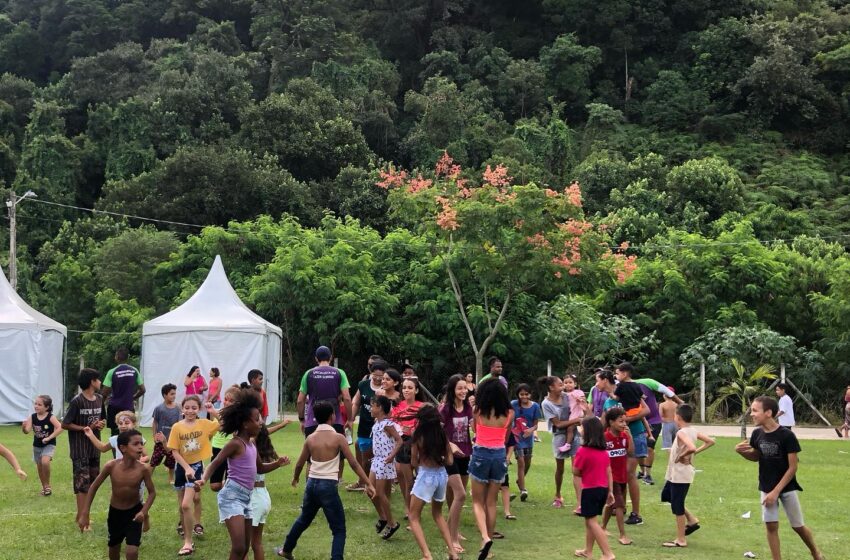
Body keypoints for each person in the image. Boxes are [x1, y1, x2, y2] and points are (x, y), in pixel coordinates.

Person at [194, 388, 289, 560]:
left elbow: (259, 469)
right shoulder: (236, 444)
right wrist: (203, 479)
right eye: (257, 420)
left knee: (244, 547)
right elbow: (215, 463)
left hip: (247, 497)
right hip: (231, 496)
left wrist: (277, 463)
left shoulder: (251, 445)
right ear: (245, 423)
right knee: (238, 546)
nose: (260, 423)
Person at [277, 401, 375, 560]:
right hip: (328, 486)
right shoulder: (338, 438)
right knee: (338, 529)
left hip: (311, 484)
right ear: (332, 416)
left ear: (315, 418)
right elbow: (354, 463)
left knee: (303, 519)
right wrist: (369, 483)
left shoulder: (310, 438)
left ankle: (286, 550)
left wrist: (295, 478)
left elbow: (300, 463)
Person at [735, 396, 824, 560]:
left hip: (786, 487)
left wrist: (776, 492)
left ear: (768, 412)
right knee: (771, 526)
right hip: (766, 486)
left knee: (798, 526)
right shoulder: (757, 434)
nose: (751, 414)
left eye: (755, 410)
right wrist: (741, 453)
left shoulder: (787, 435)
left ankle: (815, 552)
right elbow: (756, 457)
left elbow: (793, 467)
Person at [78, 430, 156, 560]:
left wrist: (143, 511)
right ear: (123, 448)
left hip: (134, 513)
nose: (140, 447)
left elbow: (152, 492)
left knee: (132, 551)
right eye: (136, 444)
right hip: (116, 513)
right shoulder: (111, 466)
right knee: (114, 547)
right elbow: (93, 487)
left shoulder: (143, 469)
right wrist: (85, 513)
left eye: (141, 443)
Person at [167, 395, 220, 556]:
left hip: (196, 467)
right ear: (182, 409)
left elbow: (224, 423)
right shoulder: (177, 427)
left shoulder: (204, 424)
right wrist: (185, 468)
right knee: (181, 507)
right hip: (181, 468)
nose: (190, 411)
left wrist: (213, 411)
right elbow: (174, 451)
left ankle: (188, 542)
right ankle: (185, 530)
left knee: (186, 504)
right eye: (187, 407)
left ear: (199, 409)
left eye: (194, 408)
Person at [468, 378, 513, 560]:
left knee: (478, 501)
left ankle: (485, 537)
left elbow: (475, 430)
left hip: (481, 453)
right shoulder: (509, 412)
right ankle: (487, 545)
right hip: (499, 455)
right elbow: (506, 436)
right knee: (491, 502)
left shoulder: (478, 410)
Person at [661, 404, 714, 548]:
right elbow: (710, 441)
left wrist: (684, 455)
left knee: (677, 505)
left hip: (680, 474)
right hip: (674, 474)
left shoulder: (681, 433)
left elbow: (691, 447)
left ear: (677, 417)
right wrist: (693, 453)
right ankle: (692, 520)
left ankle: (681, 539)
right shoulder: (692, 430)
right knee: (667, 496)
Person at [409, 405, 458, 560]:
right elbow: (450, 460)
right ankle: (452, 552)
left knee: (413, 516)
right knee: (438, 514)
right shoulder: (442, 434)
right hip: (442, 475)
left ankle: (427, 554)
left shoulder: (418, 435)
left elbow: (413, 461)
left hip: (426, 476)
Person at [62, 368, 106, 531]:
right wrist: (85, 428)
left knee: (92, 483)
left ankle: (83, 514)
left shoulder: (100, 399)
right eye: (98, 379)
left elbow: (102, 419)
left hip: (94, 448)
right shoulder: (77, 401)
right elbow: (65, 424)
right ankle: (83, 518)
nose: (100, 382)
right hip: (80, 449)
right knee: (82, 484)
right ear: (91, 382)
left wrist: (100, 424)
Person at [572, 416, 615, 560]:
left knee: (592, 522)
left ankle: (607, 553)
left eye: (582, 428)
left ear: (587, 432)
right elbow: (608, 471)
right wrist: (610, 491)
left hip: (590, 490)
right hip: (602, 489)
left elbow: (576, 471)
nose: (581, 430)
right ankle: (588, 551)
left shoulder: (582, 451)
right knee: (590, 520)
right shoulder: (604, 452)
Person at [440, 374, 473, 555]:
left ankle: (454, 529)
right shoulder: (445, 408)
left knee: (457, 498)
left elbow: (472, 425)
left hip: (466, 454)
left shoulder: (468, 406)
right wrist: (449, 445)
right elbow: (437, 429)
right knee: (459, 494)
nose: (463, 391)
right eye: (459, 388)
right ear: (453, 390)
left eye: (464, 388)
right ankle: (451, 539)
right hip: (449, 456)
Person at [539, 375, 582, 510]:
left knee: (577, 469)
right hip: (559, 436)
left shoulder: (567, 396)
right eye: (560, 384)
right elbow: (558, 424)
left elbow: (579, 405)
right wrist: (576, 420)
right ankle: (558, 495)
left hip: (574, 435)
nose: (563, 387)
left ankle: (580, 503)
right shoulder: (546, 404)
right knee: (560, 468)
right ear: (551, 387)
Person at [634, 377, 683, 485]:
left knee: (649, 447)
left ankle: (648, 474)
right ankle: (642, 472)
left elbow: (665, 390)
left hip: (653, 421)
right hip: (637, 420)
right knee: (638, 447)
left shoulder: (647, 382)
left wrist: (680, 402)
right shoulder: (622, 387)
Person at [297, 346, 352, 438]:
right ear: (330, 357)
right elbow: (346, 398)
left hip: (313, 422)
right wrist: (350, 419)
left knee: (312, 451)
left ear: (316, 358)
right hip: (335, 422)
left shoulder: (308, 374)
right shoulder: (339, 373)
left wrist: (302, 419)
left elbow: (300, 401)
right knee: (339, 451)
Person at [368, 395, 403, 539]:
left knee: (380, 493)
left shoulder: (387, 424)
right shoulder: (376, 424)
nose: (371, 408)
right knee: (369, 490)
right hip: (376, 460)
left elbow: (399, 441)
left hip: (384, 462)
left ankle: (392, 523)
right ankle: (383, 517)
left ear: (380, 407)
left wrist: (391, 456)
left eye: (373, 405)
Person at [349, 358, 386, 492]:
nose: (377, 379)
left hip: (382, 429)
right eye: (374, 375)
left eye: (380, 377)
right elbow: (356, 402)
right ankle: (365, 482)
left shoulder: (387, 387)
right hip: (364, 426)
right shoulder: (363, 385)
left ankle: (373, 484)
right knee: (362, 452)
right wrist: (350, 419)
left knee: (374, 457)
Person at [391, 376, 425, 519]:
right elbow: (392, 425)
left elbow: (427, 425)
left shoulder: (422, 407)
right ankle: (409, 508)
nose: (406, 390)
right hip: (403, 445)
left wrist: (414, 430)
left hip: (420, 444)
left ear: (416, 390)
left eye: (410, 387)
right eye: (404, 387)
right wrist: (401, 429)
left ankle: (416, 508)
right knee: (408, 480)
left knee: (421, 478)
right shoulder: (398, 407)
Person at [249, 425, 284, 560]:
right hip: (263, 496)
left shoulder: (250, 444)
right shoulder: (259, 447)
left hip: (253, 498)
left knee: (243, 545)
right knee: (256, 543)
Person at [601, 407, 633, 546]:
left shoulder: (624, 436)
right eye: (621, 421)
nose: (624, 424)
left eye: (625, 421)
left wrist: (630, 436)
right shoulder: (604, 438)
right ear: (611, 422)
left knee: (611, 503)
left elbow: (631, 452)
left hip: (622, 476)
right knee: (619, 505)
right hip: (610, 477)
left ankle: (602, 527)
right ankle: (622, 535)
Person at [22, 394, 62, 495]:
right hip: (37, 445)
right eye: (35, 404)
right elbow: (27, 431)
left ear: (47, 407)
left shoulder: (50, 417)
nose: (36, 406)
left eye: (39, 404)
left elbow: (60, 427)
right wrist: (23, 427)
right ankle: (44, 487)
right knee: (39, 467)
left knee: (45, 462)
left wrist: (49, 438)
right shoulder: (32, 417)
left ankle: (47, 485)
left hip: (49, 444)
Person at [102, 347, 145, 437]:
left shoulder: (112, 372)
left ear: (116, 357)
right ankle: (127, 451)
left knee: (114, 434)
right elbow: (142, 390)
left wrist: (101, 404)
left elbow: (105, 392)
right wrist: (132, 397)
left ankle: (116, 451)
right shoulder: (134, 370)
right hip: (129, 407)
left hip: (114, 407)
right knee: (129, 434)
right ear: (128, 357)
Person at [511, 383, 541, 502]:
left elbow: (536, 424)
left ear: (530, 394)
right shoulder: (513, 404)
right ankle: (523, 489)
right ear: (518, 395)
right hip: (516, 438)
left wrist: (531, 430)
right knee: (521, 462)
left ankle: (520, 479)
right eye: (521, 394)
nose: (524, 396)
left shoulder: (535, 407)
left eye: (526, 394)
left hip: (528, 439)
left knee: (528, 462)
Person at [210, 386, 240, 492]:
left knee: (230, 483)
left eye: (231, 401)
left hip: (231, 450)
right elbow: (214, 429)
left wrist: (215, 414)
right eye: (226, 399)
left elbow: (231, 429)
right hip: (217, 448)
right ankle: (225, 485)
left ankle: (228, 491)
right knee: (214, 486)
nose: (227, 403)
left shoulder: (238, 416)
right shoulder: (218, 412)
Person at [150, 383, 180, 485]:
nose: (174, 396)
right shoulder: (159, 408)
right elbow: (155, 422)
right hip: (160, 440)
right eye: (171, 394)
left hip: (173, 441)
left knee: (171, 461)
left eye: (175, 394)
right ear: (164, 395)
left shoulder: (178, 408)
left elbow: (180, 424)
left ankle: (171, 478)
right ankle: (147, 477)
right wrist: (154, 435)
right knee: (154, 459)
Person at [557, 374, 585, 453]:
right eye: (565, 383)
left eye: (570, 382)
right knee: (570, 429)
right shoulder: (563, 394)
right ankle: (577, 441)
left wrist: (580, 399)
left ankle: (568, 444)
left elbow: (582, 398)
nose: (568, 384)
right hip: (571, 413)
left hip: (576, 413)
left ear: (575, 384)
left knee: (570, 428)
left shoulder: (578, 392)